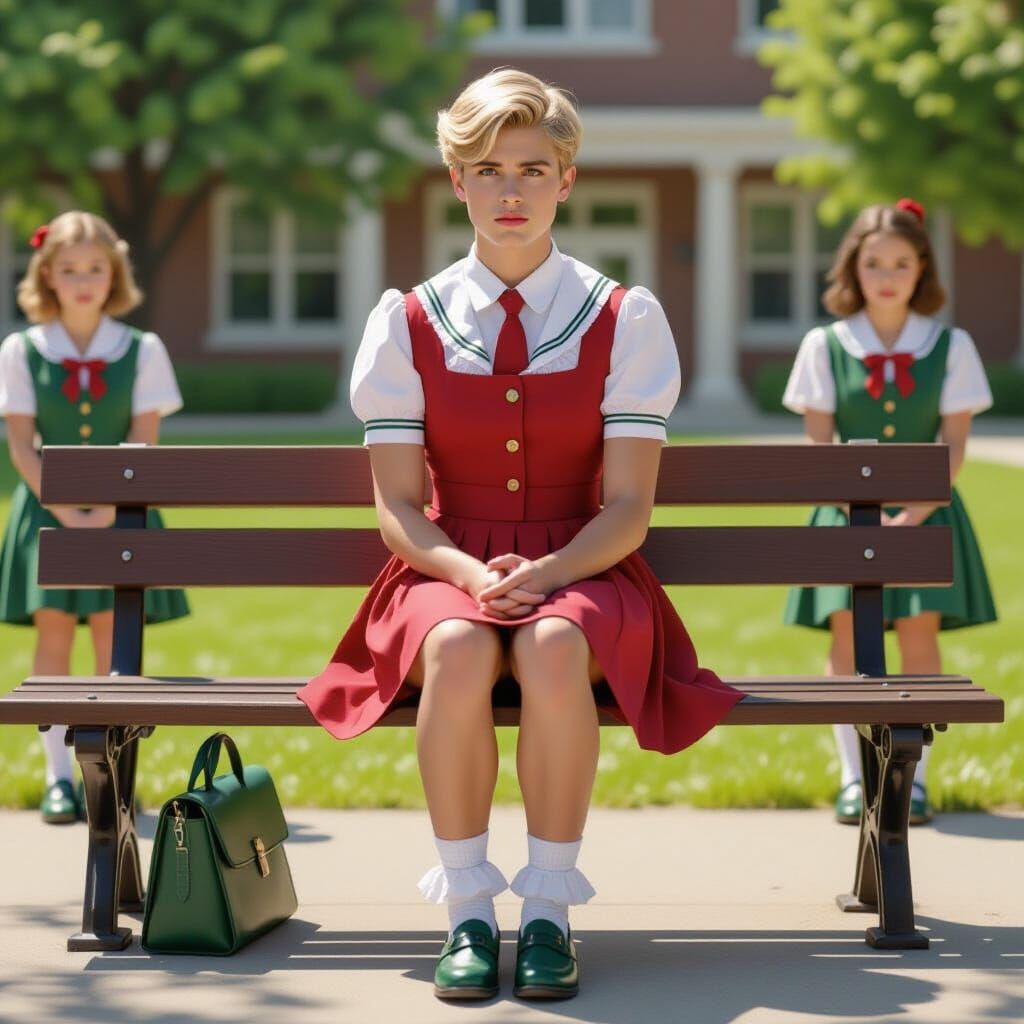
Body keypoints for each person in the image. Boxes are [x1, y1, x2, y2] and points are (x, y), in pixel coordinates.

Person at [298, 69, 740, 1001]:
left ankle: (547, 909)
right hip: (442, 565)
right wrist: (469, 573)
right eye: (489, 170)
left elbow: (628, 507)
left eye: (534, 170)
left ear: (566, 180)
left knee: (552, 645)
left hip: (588, 560)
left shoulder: (624, 318)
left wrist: (549, 571)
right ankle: (467, 909)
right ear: (456, 181)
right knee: (457, 648)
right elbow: (399, 509)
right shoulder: (407, 320)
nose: (511, 191)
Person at [782, 198, 997, 826]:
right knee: (847, 637)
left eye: (901, 263)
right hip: (843, 514)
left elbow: (953, 446)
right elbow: (819, 447)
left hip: (927, 515)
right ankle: (854, 778)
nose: (887, 276)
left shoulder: (951, 345)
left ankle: (913, 782)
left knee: (917, 636)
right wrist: (858, 514)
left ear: (922, 268)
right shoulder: (825, 345)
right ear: (853, 266)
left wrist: (914, 515)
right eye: (874, 262)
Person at [0, 211, 189, 824]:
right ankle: (58, 776)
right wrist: (65, 510)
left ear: (114, 274)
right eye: (69, 269)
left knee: (116, 641)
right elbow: (21, 446)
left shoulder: (142, 349)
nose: (83, 281)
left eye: (95, 268)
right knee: (53, 638)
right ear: (47, 275)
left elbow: (144, 439)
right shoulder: (21, 349)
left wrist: (107, 508)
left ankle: (111, 780)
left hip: (122, 515)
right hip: (46, 514)